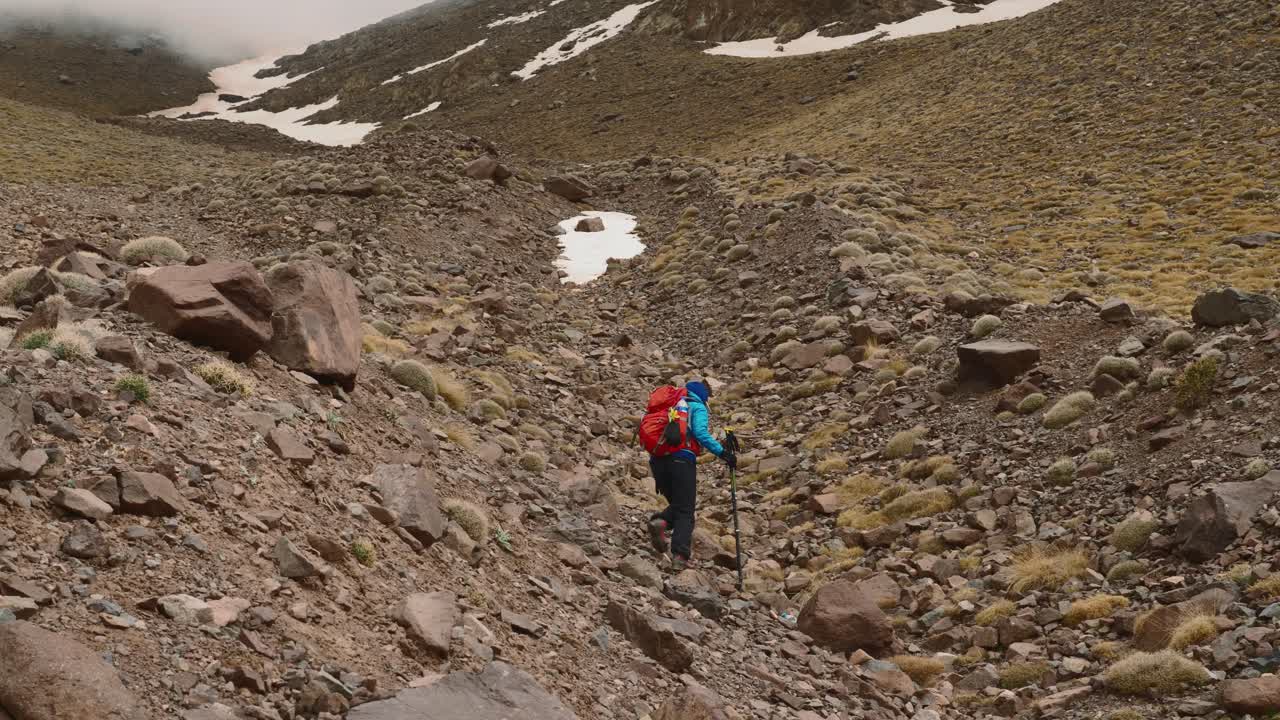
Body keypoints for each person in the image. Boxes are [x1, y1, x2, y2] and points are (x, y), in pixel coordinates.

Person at [647, 380, 736, 571]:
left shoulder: (670, 406)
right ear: (702, 396)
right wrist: (723, 453)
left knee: (679, 506)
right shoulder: (696, 406)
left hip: (658, 460)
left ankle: (660, 523)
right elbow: (701, 433)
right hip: (681, 459)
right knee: (686, 511)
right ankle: (680, 555)